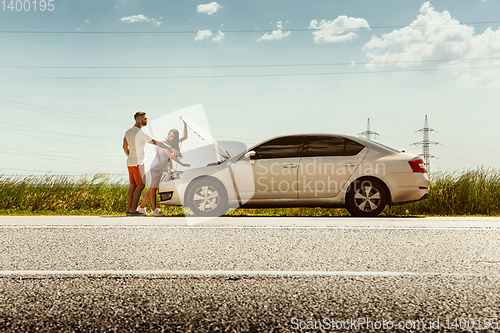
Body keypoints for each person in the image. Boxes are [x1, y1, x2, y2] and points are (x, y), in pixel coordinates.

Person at [123, 112, 179, 216]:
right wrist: (169, 147)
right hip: (138, 163)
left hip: (130, 162)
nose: (146, 120)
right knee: (141, 185)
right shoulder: (141, 133)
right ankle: (134, 211)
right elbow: (155, 142)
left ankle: (129, 210)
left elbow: (124, 146)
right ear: (139, 119)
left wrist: (130, 157)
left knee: (132, 186)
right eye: (145, 118)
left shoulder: (128, 131)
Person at [138, 121, 190, 216]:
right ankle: (154, 210)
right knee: (154, 188)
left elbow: (185, 137)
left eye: (172, 137)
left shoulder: (172, 143)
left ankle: (141, 207)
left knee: (152, 189)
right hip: (156, 167)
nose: (169, 137)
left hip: (162, 168)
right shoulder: (164, 143)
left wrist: (185, 126)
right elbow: (170, 155)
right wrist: (181, 163)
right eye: (169, 135)